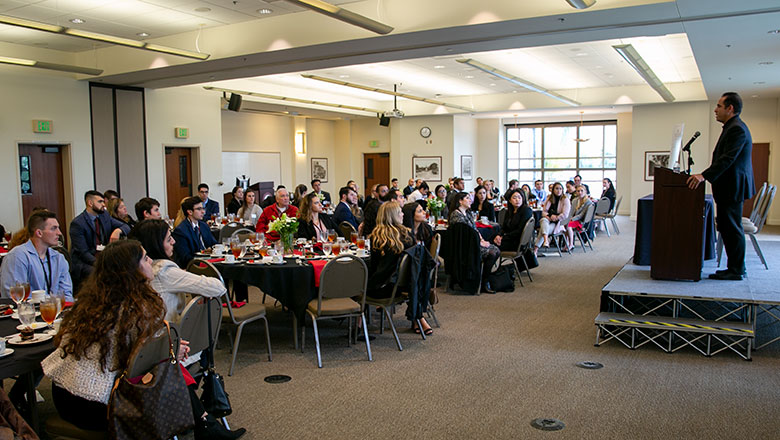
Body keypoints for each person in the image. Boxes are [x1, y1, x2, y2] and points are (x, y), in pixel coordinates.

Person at [41, 240, 245, 439]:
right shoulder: (134, 308)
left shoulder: (92, 302)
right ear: (130, 269)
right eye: (146, 259)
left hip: (64, 395)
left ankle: (204, 422)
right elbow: (138, 362)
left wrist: (167, 349)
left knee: (168, 364)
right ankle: (204, 423)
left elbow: (136, 353)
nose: (151, 262)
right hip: (97, 404)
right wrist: (168, 351)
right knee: (168, 368)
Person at [687, 92, 755, 280]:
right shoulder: (731, 127)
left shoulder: (737, 129)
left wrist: (704, 175)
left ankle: (737, 270)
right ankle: (734, 267)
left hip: (732, 187)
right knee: (727, 227)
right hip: (729, 187)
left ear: (730, 108)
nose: (715, 110)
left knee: (732, 228)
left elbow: (728, 159)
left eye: (719, 106)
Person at [129, 220, 226, 322]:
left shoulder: (135, 269)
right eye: (168, 239)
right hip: (170, 332)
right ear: (156, 245)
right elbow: (218, 287)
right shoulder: (163, 271)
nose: (173, 242)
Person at [367, 202, 432, 335]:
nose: (403, 214)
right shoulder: (407, 235)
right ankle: (418, 318)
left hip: (382, 289)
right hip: (403, 287)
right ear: (392, 216)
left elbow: (374, 270)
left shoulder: (376, 238)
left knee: (357, 285)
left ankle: (358, 324)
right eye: (399, 212)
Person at [1, 210, 73, 300]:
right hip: (28, 312)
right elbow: (14, 296)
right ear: (39, 233)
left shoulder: (59, 258)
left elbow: (67, 295)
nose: (59, 233)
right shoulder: (17, 256)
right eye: (54, 228)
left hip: (57, 311)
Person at [70, 190, 131, 281]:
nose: (104, 204)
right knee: (104, 273)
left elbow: (126, 226)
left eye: (103, 201)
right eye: (100, 202)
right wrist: (102, 264)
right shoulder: (78, 223)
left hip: (102, 256)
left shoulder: (104, 216)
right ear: (90, 203)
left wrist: (118, 231)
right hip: (85, 263)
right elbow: (83, 253)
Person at [449, 192, 500, 294]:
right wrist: (479, 243)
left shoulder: (467, 213)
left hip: (473, 242)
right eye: (467, 198)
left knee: (496, 250)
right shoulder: (456, 215)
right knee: (492, 253)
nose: (470, 200)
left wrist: (482, 240)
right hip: (466, 246)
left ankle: (485, 278)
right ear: (460, 201)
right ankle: (484, 281)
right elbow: (465, 235)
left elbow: (474, 230)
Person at [171, 196, 218, 268]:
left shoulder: (204, 226)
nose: (203, 212)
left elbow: (214, 244)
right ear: (190, 212)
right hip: (194, 266)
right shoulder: (181, 230)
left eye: (203, 208)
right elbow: (185, 257)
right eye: (199, 209)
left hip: (210, 262)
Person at [536, 182, 571, 252]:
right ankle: (546, 240)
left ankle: (535, 249)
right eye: (557, 188)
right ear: (553, 190)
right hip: (548, 220)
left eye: (560, 189)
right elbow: (544, 211)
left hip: (558, 223)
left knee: (543, 230)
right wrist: (549, 216)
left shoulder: (565, 199)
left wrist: (556, 217)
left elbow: (565, 215)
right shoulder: (549, 199)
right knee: (543, 220)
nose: (558, 190)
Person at [566, 185, 593, 251]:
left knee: (568, 225)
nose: (580, 192)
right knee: (563, 223)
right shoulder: (574, 200)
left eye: (581, 191)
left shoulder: (588, 202)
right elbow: (571, 211)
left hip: (581, 222)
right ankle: (566, 243)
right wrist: (568, 218)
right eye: (578, 191)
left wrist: (572, 219)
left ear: (585, 192)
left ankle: (571, 244)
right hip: (573, 219)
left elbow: (581, 215)